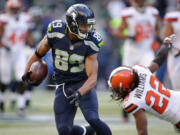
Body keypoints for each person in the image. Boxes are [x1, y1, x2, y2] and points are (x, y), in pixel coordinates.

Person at [22, 4, 112, 135]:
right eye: (83, 25)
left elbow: (93, 78)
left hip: (83, 83)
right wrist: (26, 73)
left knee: (93, 119)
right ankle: (85, 131)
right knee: (64, 130)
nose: (87, 29)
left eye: (89, 25)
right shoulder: (56, 32)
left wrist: (79, 93)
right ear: (72, 23)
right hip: (63, 85)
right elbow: (37, 54)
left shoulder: (91, 41)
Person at [108, 34, 180, 135]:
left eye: (116, 89)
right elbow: (159, 60)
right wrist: (166, 44)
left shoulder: (132, 101)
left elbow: (142, 130)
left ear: (125, 88)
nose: (116, 92)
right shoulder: (141, 71)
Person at [111, 0, 161, 121]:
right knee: (126, 79)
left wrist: (155, 40)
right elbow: (117, 32)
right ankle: (125, 112)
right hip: (131, 51)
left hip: (146, 50)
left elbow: (157, 29)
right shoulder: (128, 13)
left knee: (149, 77)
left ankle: (142, 106)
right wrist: (129, 36)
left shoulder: (153, 12)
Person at [0, 0, 34, 113]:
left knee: (22, 77)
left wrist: (32, 45)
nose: (14, 10)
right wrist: (4, 46)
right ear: (8, 8)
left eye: (16, 8)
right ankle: (2, 101)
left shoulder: (25, 18)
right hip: (6, 52)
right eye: (12, 8)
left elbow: (29, 34)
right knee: (5, 80)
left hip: (20, 52)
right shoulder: (3, 19)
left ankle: (21, 105)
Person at [162, 0, 180, 90]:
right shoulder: (173, 17)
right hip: (176, 57)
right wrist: (174, 50)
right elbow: (166, 39)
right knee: (178, 89)